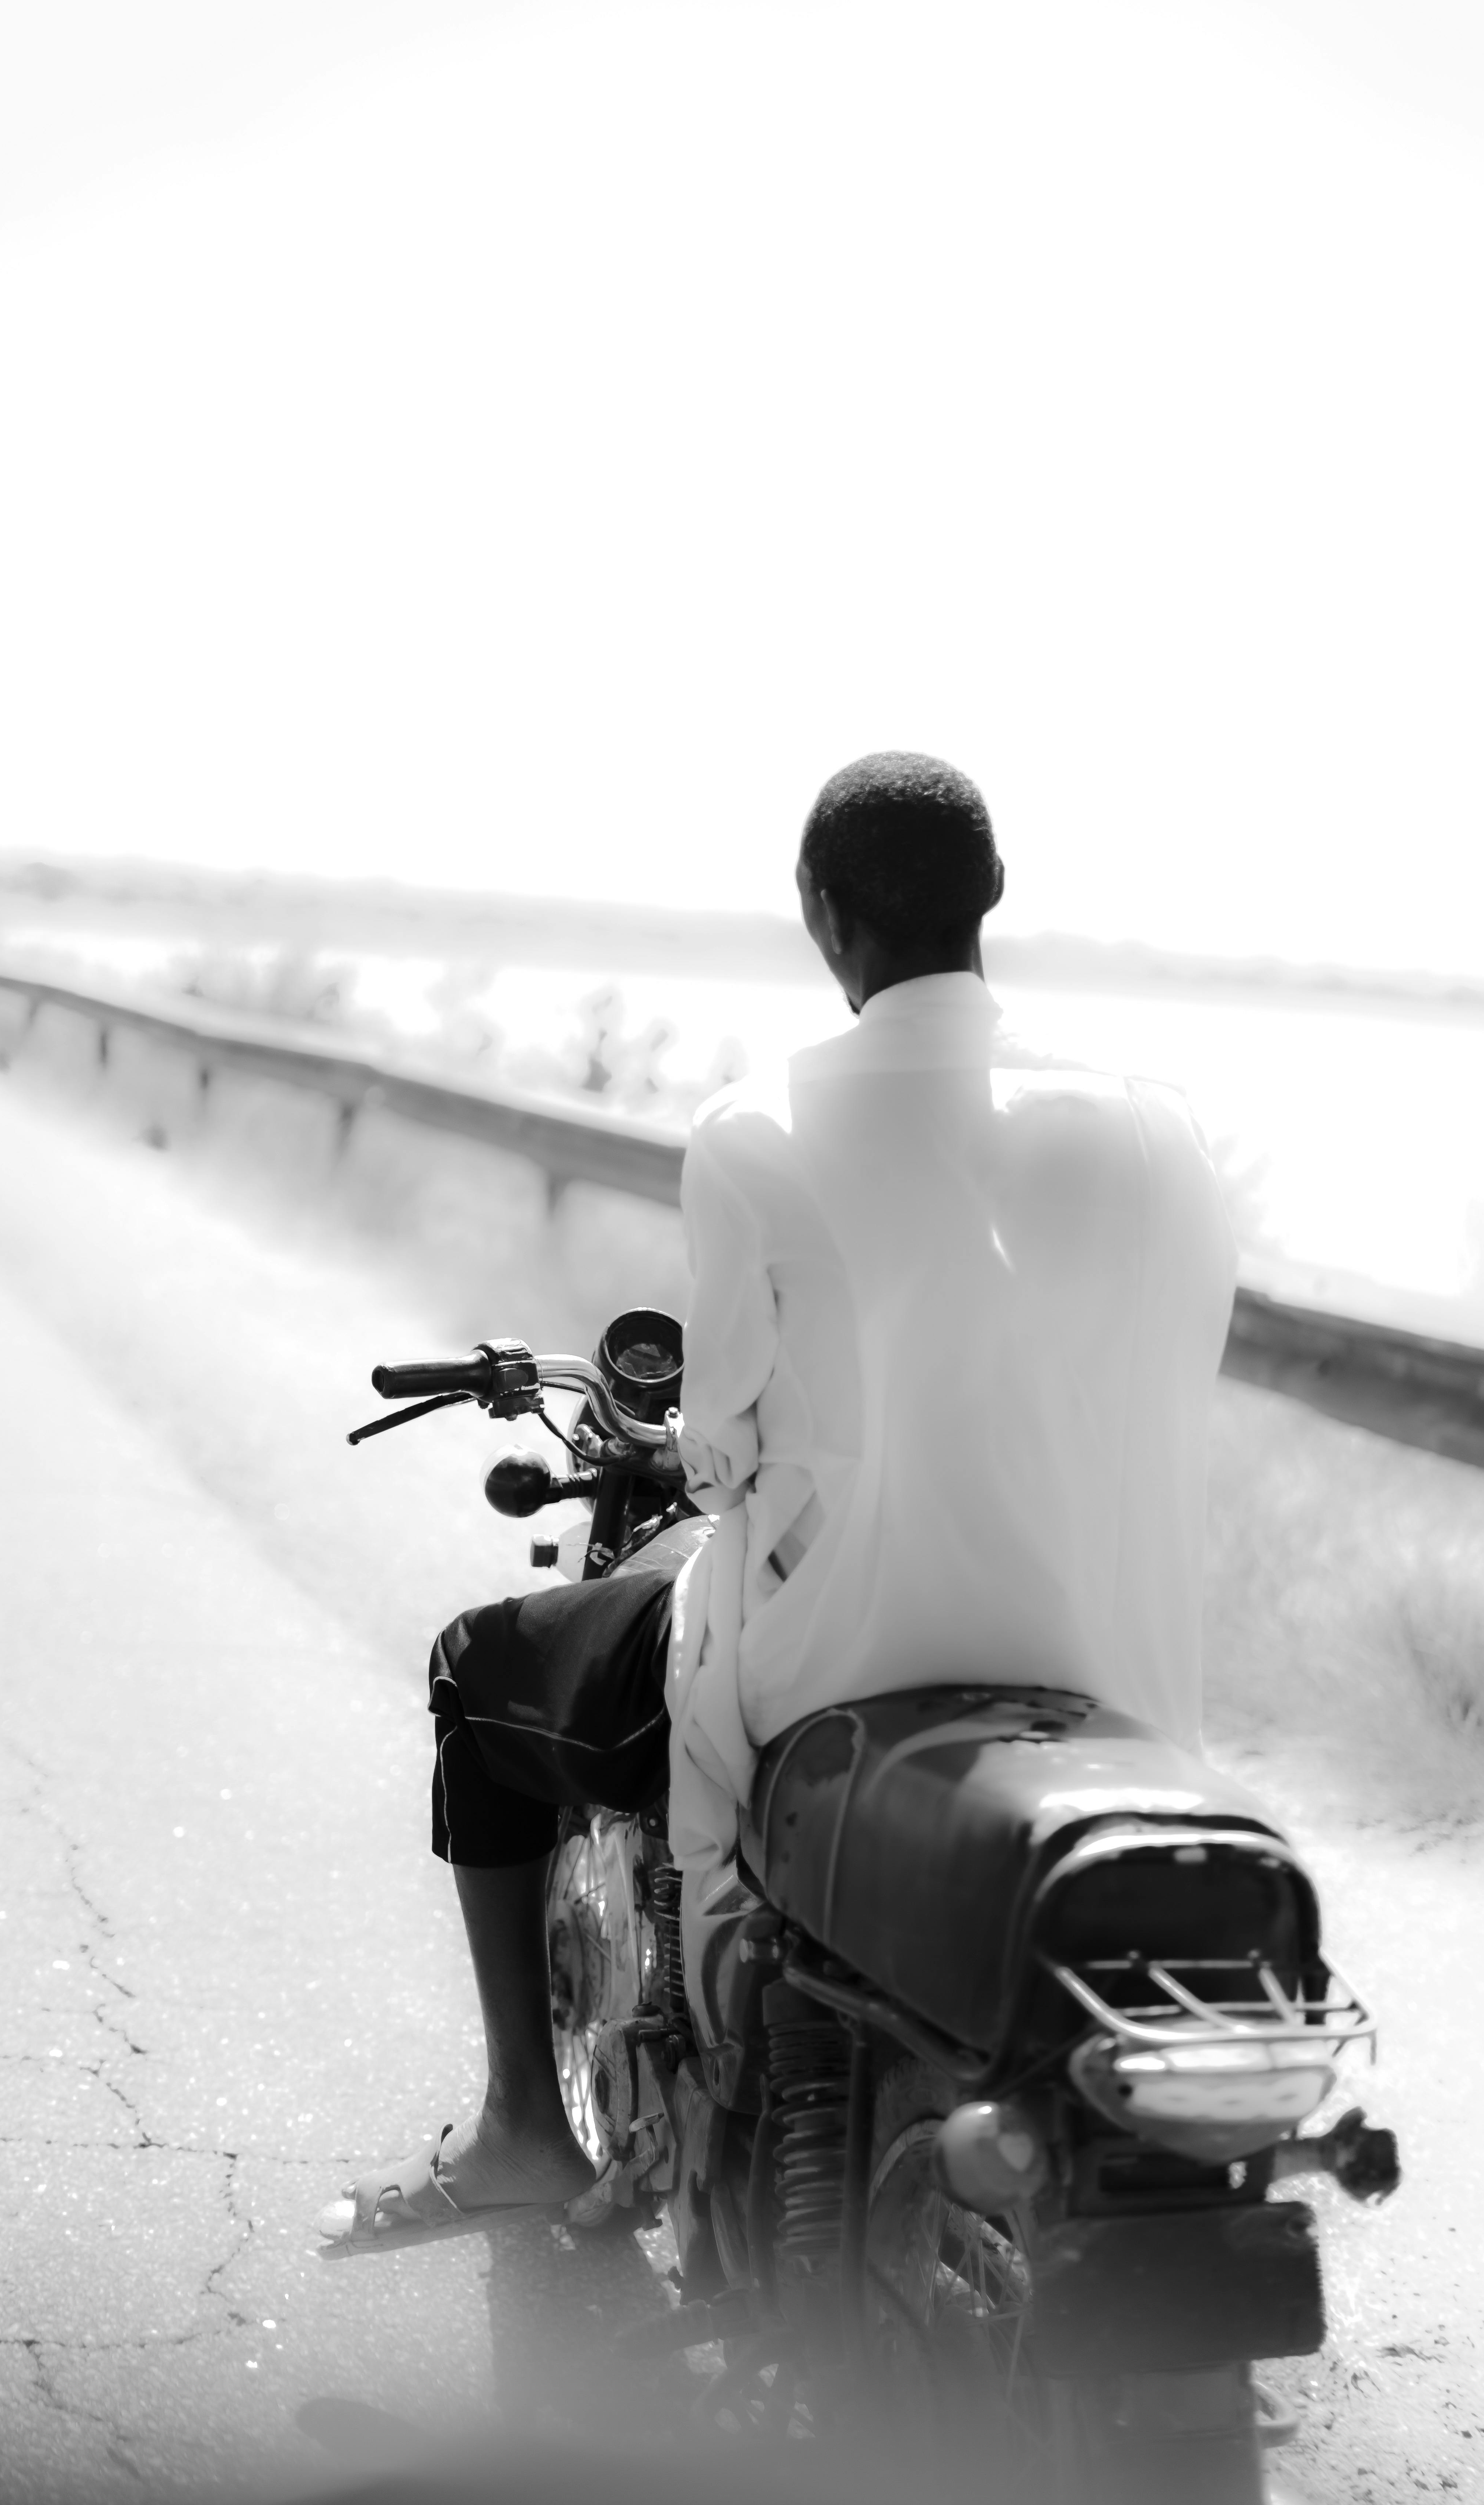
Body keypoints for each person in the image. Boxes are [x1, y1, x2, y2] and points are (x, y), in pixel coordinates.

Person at [319, 752, 1237, 2241]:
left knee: (473, 1670)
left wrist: (716, 1442)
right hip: (1111, 1677)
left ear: (822, 914)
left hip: (843, 1659)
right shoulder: (1159, 1125)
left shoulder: (765, 1127)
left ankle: (522, 2132)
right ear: (991, 896)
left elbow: (727, 1443)